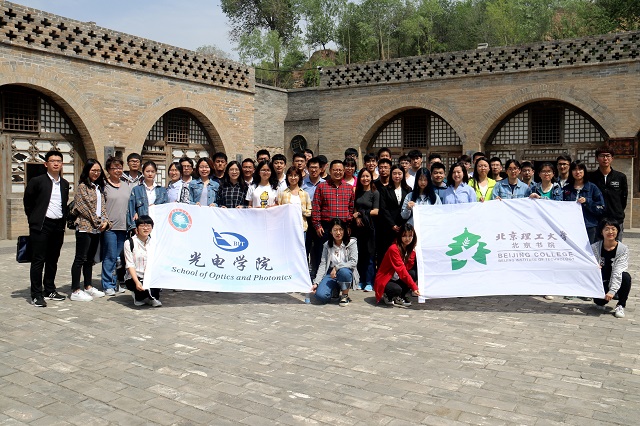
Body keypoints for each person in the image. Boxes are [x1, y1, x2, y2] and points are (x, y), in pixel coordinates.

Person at [24, 150, 70, 307]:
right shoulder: (37, 181)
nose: (56, 163)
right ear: (46, 164)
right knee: (38, 260)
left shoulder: (64, 184)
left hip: (58, 226)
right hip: (42, 225)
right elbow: (28, 202)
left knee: (53, 259)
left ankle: (49, 289)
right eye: (52, 161)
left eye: (59, 161)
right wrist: (34, 220)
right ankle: (36, 294)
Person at [69, 159, 110, 302]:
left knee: (90, 259)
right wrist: (99, 222)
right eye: (93, 170)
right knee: (80, 258)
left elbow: (102, 207)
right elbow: (84, 208)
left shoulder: (99, 188)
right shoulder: (82, 187)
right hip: (84, 227)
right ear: (87, 171)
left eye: (98, 171)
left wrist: (105, 221)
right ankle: (75, 290)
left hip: (96, 229)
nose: (96, 173)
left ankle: (88, 286)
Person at [311, 160, 355, 276]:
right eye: (335, 170)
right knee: (322, 254)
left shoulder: (349, 188)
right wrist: (317, 225)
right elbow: (316, 207)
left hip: (343, 227)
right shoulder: (321, 187)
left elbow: (351, 208)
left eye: (340, 170)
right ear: (330, 171)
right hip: (326, 227)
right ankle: (320, 278)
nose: (338, 172)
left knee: (342, 254)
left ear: (344, 171)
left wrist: (349, 225)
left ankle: (341, 277)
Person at [101, 157, 133, 296]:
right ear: (108, 170)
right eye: (114, 168)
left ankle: (115, 283)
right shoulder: (104, 185)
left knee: (119, 258)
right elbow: (100, 206)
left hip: (123, 226)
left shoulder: (126, 186)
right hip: (110, 227)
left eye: (120, 167)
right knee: (110, 256)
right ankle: (107, 284)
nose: (118, 170)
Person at [311, 218, 359, 306]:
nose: (338, 233)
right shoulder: (327, 245)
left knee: (344, 272)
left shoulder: (352, 243)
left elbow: (353, 262)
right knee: (320, 296)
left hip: (346, 272)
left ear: (344, 230)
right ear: (330, 231)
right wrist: (316, 283)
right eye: (335, 230)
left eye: (340, 229)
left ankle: (345, 295)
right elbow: (323, 264)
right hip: (331, 274)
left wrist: (337, 267)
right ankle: (335, 288)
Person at [591, 218, 631, 318]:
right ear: (601, 232)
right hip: (602, 280)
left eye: (613, 229)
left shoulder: (623, 249)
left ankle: (621, 305)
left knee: (625, 277)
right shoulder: (594, 247)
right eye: (607, 229)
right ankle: (601, 298)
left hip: (616, 278)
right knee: (599, 302)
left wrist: (612, 291)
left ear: (617, 231)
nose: (610, 232)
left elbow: (618, 271)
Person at [374, 223, 420, 307]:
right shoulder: (394, 249)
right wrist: (414, 287)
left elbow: (408, 267)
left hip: (398, 277)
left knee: (413, 273)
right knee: (396, 289)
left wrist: (413, 253)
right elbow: (401, 270)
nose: (407, 239)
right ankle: (388, 295)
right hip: (387, 278)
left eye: (410, 236)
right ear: (400, 235)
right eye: (404, 236)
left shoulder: (409, 248)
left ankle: (400, 296)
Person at [589, 147, 628, 240]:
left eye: (608, 156)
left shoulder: (620, 177)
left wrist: (617, 211)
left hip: (616, 219)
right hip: (597, 220)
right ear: (597, 158)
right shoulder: (591, 177)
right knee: (597, 247)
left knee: (616, 246)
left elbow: (624, 198)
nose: (605, 158)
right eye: (602, 156)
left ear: (612, 158)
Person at [124, 215, 161, 307]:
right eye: (142, 226)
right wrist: (137, 282)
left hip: (150, 276)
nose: (146, 228)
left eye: (148, 226)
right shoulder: (129, 243)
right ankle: (138, 295)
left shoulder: (154, 243)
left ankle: (150, 297)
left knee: (154, 293)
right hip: (135, 276)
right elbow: (129, 264)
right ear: (137, 228)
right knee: (141, 294)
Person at [562, 161, 604, 244]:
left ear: (584, 171)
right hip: (571, 226)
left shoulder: (592, 188)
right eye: (574, 169)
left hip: (589, 226)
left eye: (580, 169)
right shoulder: (566, 189)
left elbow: (601, 207)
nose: (577, 172)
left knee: (590, 250)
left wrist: (587, 201)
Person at [352, 168, 379, 292]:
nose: (365, 179)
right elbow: (354, 207)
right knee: (360, 255)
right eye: (363, 176)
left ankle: (369, 282)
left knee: (370, 256)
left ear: (371, 178)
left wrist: (361, 214)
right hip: (358, 228)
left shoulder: (375, 192)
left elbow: (376, 211)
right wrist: (356, 217)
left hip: (370, 228)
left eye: (367, 176)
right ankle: (361, 280)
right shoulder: (357, 191)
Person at [377, 165, 410, 265]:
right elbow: (383, 208)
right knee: (386, 251)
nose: (397, 176)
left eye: (399, 174)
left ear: (403, 175)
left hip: (403, 226)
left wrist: (402, 225)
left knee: (402, 252)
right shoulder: (385, 189)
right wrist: (392, 225)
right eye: (394, 173)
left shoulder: (408, 190)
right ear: (391, 175)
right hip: (388, 226)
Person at [127, 161, 169, 230]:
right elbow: (131, 209)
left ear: (155, 173)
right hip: (142, 225)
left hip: (158, 224)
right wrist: (133, 226)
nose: (150, 174)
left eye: (152, 171)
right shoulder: (136, 189)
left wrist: (155, 206)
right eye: (147, 171)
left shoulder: (162, 190)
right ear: (143, 172)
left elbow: (166, 208)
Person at [302, 157, 326, 274]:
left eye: (316, 167)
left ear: (321, 169)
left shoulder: (325, 184)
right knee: (304, 248)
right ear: (307, 168)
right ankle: (304, 274)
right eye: (311, 167)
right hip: (305, 220)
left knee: (319, 248)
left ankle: (317, 274)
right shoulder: (302, 183)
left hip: (320, 221)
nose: (314, 170)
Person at [277, 166, 311, 233]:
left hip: (301, 228)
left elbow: (309, 212)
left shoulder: (305, 194)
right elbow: (278, 211)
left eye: (295, 175)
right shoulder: (282, 194)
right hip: (287, 228)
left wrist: (299, 209)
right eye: (290, 175)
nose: (293, 178)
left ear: (299, 177)